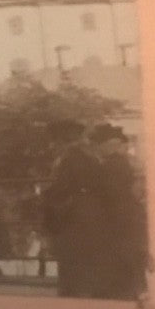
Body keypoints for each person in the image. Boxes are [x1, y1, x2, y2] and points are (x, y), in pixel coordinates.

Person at [40, 118, 106, 296]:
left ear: (61, 139)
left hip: (73, 211)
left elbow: (62, 187)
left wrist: (44, 194)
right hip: (93, 209)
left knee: (70, 253)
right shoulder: (91, 156)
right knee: (86, 254)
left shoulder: (67, 159)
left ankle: (71, 292)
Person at [90, 123, 149, 299]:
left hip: (116, 217)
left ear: (107, 145)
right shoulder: (123, 162)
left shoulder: (110, 165)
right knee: (129, 256)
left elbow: (109, 194)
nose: (96, 149)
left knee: (119, 258)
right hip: (128, 215)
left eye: (98, 145)